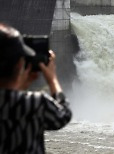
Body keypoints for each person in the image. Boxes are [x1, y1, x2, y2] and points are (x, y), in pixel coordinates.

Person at [0, 23, 72, 154]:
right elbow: (62, 116)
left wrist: (22, 84)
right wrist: (52, 79)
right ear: (20, 64)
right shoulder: (35, 103)